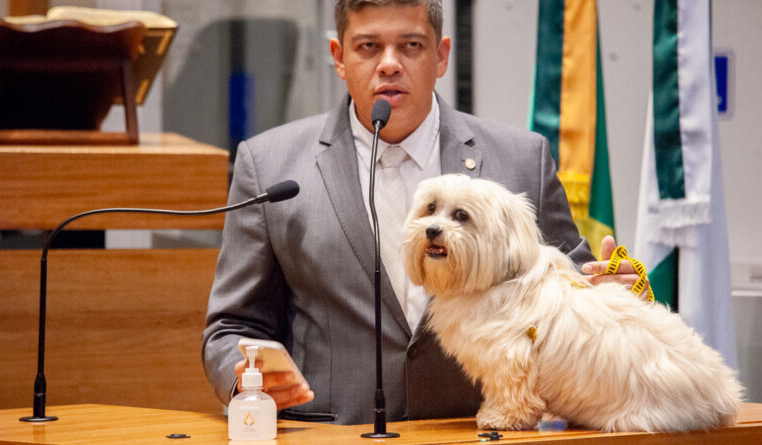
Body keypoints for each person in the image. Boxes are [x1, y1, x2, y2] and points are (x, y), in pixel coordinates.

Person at [203, 0, 643, 425]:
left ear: (441, 55)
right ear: (338, 57)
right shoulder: (269, 165)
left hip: (480, 432)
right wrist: (243, 377)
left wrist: (616, 288)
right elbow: (232, 326)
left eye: (411, 45)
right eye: (368, 46)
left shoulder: (521, 160)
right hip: (331, 435)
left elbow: (576, 287)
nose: (389, 64)